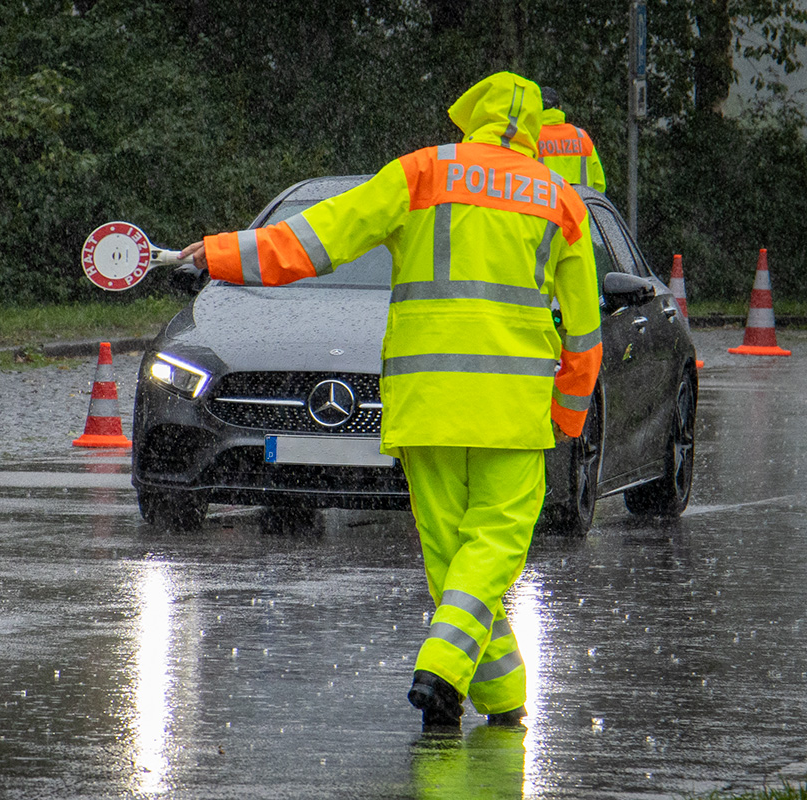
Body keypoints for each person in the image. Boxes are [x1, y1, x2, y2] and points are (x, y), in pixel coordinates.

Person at [180, 72, 602, 730]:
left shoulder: (423, 172)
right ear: (534, 130)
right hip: (512, 410)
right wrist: (569, 413)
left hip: (425, 401)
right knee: (493, 547)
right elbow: (584, 334)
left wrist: (218, 253)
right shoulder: (561, 202)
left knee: (452, 554)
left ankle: (499, 696)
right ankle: (440, 668)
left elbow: (317, 238)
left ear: (472, 118)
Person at [537, 86, 606, 192]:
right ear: (560, 108)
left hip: (547, 201)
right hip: (579, 201)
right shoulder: (581, 136)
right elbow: (599, 183)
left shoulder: (532, 138)